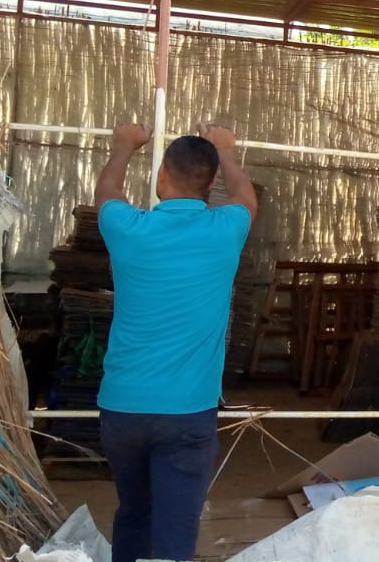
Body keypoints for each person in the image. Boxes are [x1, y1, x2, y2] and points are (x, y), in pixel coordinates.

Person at [94, 121, 257, 562]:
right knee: (175, 529)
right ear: (210, 183)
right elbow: (245, 197)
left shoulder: (128, 229)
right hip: (188, 413)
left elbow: (107, 192)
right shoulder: (226, 230)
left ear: (161, 176)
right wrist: (226, 150)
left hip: (123, 409)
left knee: (133, 513)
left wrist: (124, 146)